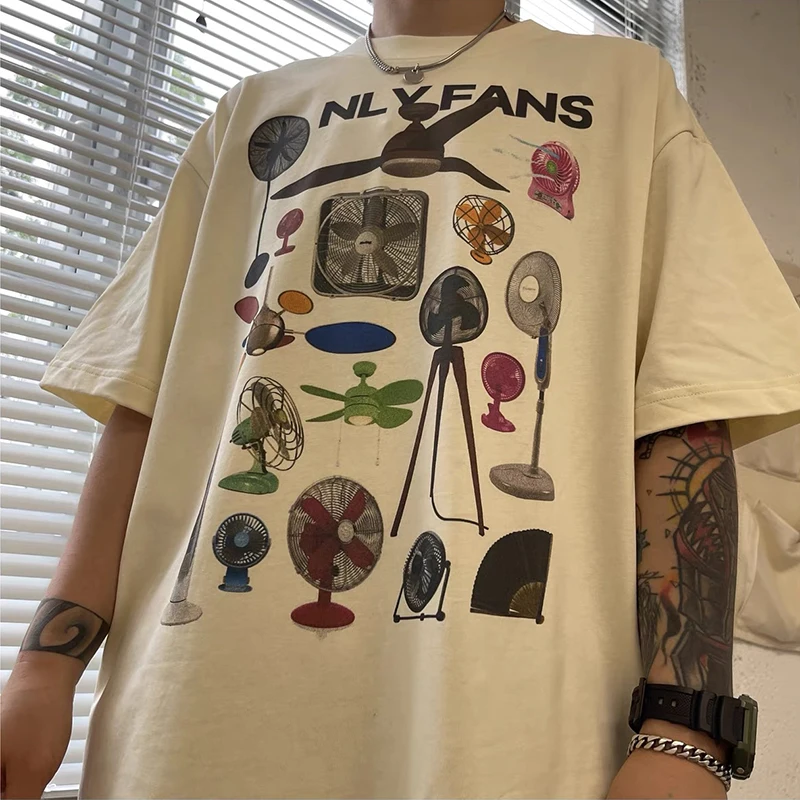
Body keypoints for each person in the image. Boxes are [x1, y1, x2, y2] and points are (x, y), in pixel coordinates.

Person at [3, 1, 800, 797]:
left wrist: (687, 730)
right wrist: (42, 668)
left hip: (501, 738)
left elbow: (685, 408)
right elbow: (142, 400)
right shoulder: (250, 110)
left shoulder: (627, 90)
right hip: (188, 723)